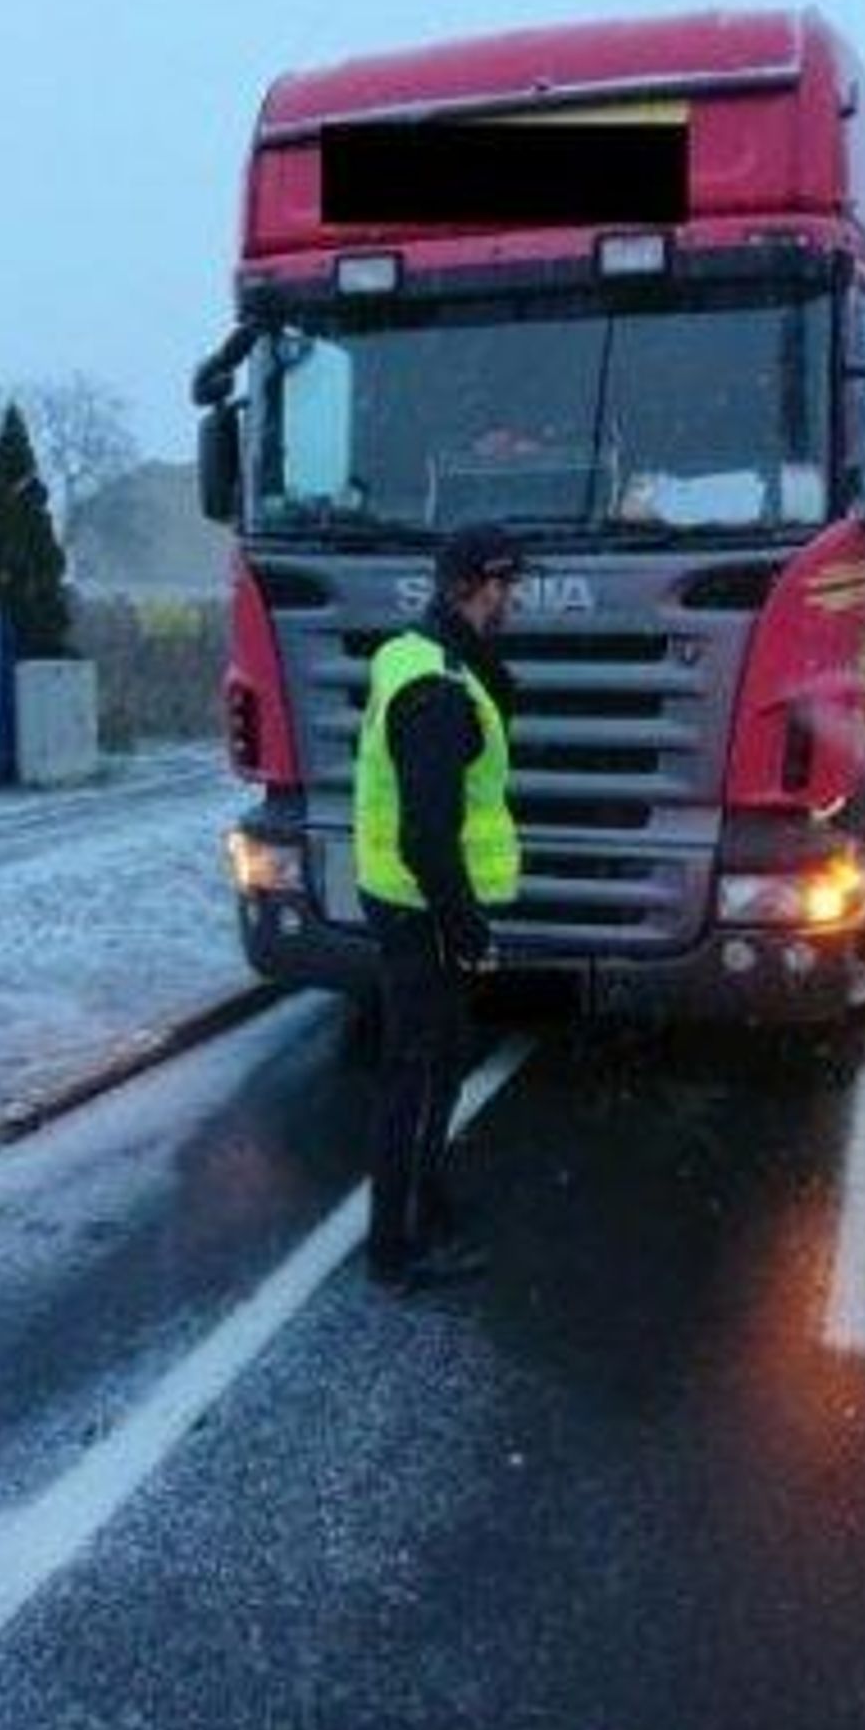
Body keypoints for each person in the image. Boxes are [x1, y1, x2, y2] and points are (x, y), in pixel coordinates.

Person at [353, 522, 525, 1291]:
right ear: (471, 587)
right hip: (420, 906)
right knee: (417, 1076)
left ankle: (427, 1199)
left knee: (436, 1064)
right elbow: (428, 834)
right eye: (504, 585)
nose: (511, 599)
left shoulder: (413, 652)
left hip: (404, 899)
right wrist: (469, 928)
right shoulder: (438, 689)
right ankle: (396, 1250)